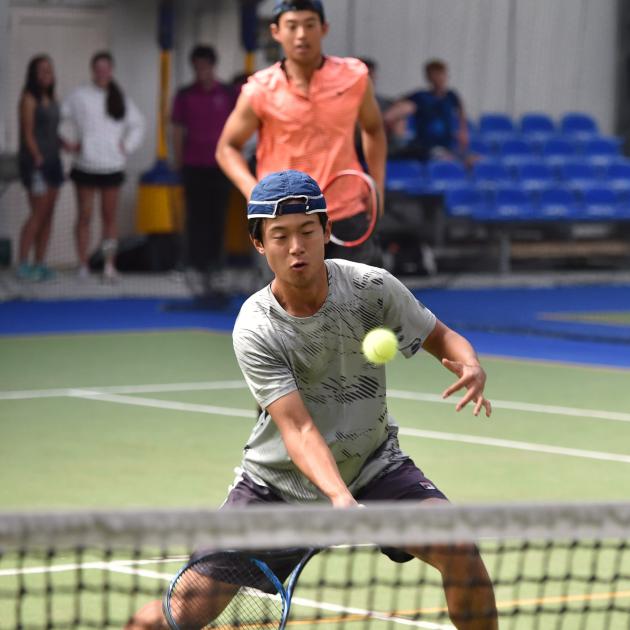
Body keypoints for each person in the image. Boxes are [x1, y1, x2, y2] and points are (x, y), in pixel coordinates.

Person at [126, 170, 498, 630]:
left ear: (326, 231)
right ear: (260, 244)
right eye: (280, 236)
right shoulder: (256, 326)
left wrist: (471, 363)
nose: (296, 246)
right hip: (276, 488)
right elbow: (298, 429)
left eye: (306, 231)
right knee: (169, 619)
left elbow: (442, 337)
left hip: (372, 467)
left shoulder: (371, 288)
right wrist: (339, 499)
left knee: (458, 545)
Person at [216, 0, 387, 266]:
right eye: (292, 26)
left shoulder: (354, 77)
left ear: (324, 28)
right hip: (282, 216)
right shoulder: (260, 89)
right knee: (284, 307)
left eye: (309, 25)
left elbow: (374, 129)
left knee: (358, 306)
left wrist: (376, 188)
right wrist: (254, 192)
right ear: (276, 32)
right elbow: (227, 148)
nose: (301, 35)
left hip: (345, 213)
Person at [61, 51, 145, 281]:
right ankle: (83, 264)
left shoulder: (120, 98)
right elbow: (61, 120)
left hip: (112, 166)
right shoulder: (78, 96)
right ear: (92, 70)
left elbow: (138, 125)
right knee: (84, 216)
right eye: (98, 68)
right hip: (85, 166)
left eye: (106, 68)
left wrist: (125, 147)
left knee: (109, 218)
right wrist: (70, 143)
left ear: (111, 70)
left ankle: (109, 265)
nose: (102, 73)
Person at [171, 45, 235, 273]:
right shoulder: (184, 95)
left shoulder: (227, 93)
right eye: (197, 68)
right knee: (195, 216)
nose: (201, 72)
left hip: (221, 166)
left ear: (212, 67)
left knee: (217, 215)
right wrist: (178, 161)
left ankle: (216, 262)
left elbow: (238, 126)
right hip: (193, 165)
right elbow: (177, 129)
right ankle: (194, 262)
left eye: (205, 67)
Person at [16, 55, 65, 281]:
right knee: (38, 213)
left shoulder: (53, 97)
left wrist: (66, 144)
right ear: (34, 75)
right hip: (36, 163)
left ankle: (40, 263)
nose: (47, 74)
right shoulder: (28, 99)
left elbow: (53, 131)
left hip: (54, 161)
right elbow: (28, 133)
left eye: (49, 70)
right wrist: (37, 157)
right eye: (42, 70)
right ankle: (23, 263)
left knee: (49, 214)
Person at [385, 59, 473, 165]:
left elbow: (461, 111)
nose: (439, 78)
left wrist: (463, 130)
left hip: (447, 146)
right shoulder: (420, 97)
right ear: (428, 77)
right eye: (434, 75)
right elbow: (397, 106)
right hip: (426, 147)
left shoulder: (451, 96)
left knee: (473, 160)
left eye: (441, 74)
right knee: (446, 160)